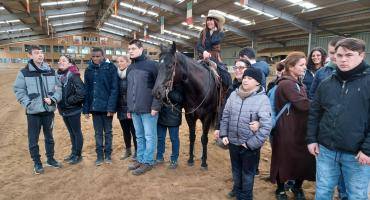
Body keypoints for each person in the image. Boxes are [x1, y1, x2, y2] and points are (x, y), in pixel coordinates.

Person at [307, 38, 370, 200]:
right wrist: (312, 139)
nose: (343, 59)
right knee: (323, 191)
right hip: (326, 150)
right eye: (339, 55)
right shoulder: (327, 83)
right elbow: (315, 113)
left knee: (356, 195)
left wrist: (368, 149)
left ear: (361, 55)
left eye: (349, 55)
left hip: (357, 154)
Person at [220, 67, 272, 200]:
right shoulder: (233, 95)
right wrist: (224, 134)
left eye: (250, 79)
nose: (245, 80)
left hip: (249, 145)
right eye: (244, 78)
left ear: (258, 83)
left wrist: (250, 144)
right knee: (236, 171)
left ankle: (246, 196)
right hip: (233, 142)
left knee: (247, 174)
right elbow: (225, 116)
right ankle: (237, 191)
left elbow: (266, 126)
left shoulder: (262, 100)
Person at [270, 52, 315, 200]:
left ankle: (297, 187)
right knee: (283, 158)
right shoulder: (287, 84)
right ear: (290, 66)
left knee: (301, 158)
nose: (304, 68)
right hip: (286, 128)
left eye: (304, 65)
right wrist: (322, 103)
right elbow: (302, 104)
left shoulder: (296, 82)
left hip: (298, 128)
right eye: (301, 65)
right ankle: (280, 189)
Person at [13, 45, 62, 174]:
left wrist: (53, 99)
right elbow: (19, 90)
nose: (40, 55)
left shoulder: (51, 71)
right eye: (36, 53)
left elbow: (59, 87)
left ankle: (51, 159)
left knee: (49, 137)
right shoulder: (24, 73)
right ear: (30, 55)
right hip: (33, 113)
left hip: (48, 111)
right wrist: (28, 103)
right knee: (33, 138)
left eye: (41, 53)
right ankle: (37, 163)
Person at [126, 39, 161, 175]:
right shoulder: (130, 67)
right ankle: (140, 159)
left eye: (133, 49)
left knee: (149, 136)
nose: (131, 51)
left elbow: (159, 88)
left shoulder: (152, 65)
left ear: (141, 49)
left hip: (148, 109)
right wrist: (129, 108)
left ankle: (148, 162)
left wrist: (156, 106)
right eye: (129, 49)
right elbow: (129, 90)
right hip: (134, 110)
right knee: (139, 136)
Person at [83, 48, 118, 166]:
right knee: (98, 133)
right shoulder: (88, 70)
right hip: (95, 108)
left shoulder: (111, 68)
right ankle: (99, 156)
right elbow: (87, 91)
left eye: (98, 56)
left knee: (108, 132)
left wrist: (111, 108)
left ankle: (108, 155)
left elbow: (114, 89)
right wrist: (86, 109)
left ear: (103, 56)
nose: (96, 58)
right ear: (91, 57)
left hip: (107, 108)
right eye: (94, 56)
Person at [56, 55, 85, 165]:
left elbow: (82, 93)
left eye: (64, 60)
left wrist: (69, 101)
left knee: (76, 132)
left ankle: (78, 155)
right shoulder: (59, 75)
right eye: (60, 60)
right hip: (64, 110)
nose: (60, 62)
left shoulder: (73, 75)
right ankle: (73, 153)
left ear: (70, 63)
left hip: (73, 110)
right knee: (71, 133)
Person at [156, 85, 183, 169]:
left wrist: (168, 92)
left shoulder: (179, 84)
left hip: (174, 116)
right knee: (160, 137)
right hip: (161, 114)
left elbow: (180, 99)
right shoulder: (160, 82)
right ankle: (159, 156)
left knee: (174, 138)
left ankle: (174, 159)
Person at [116, 55, 137, 160]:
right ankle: (128, 150)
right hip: (120, 107)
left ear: (128, 62)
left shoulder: (132, 74)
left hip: (131, 107)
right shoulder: (116, 75)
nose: (119, 63)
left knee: (134, 131)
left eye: (122, 61)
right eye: (118, 61)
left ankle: (137, 151)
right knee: (125, 131)